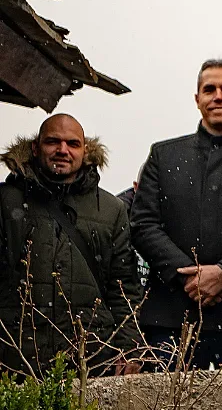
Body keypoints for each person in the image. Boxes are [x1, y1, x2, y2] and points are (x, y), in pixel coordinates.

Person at [131, 59, 222, 366]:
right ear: (197, 99)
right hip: (170, 318)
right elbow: (143, 224)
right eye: (210, 89)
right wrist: (188, 275)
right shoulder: (164, 155)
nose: (218, 96)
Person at [0, 115, 142, 374]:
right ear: (35, 147)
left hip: (89, 356)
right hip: (16, 355)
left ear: (85, 150)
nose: (62, 150)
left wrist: (128, 348)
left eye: (72, 143)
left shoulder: (111, 210)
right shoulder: (6, 201)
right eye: (53, 141)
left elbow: (124, 289)